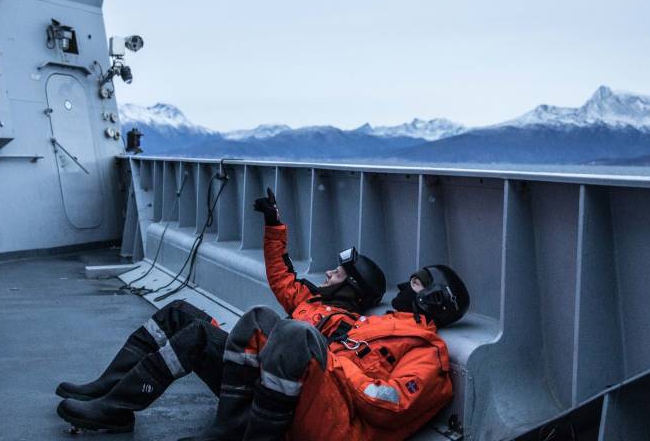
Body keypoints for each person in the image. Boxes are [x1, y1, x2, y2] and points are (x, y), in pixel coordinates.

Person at [55, 188, 470, 440]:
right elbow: (284, 280)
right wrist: (274, 225)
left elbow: (390, 402)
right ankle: (112, 397)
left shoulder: (425, 351)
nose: (404, 286)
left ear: (433, 301)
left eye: (416, 283)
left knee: (288, 333)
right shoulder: (371, 324)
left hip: (331, 421)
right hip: (281, 391)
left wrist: (330, 360)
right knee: (199, 318)